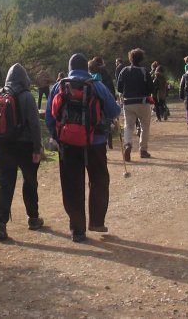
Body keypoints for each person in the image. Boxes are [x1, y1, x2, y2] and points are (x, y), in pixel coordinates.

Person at [46, 54, 120, 243]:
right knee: (99, 180)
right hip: (95, 143)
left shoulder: (59, 86)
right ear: (86, 68)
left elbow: (49, 117)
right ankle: (96, 221)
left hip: (68, 143)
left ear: (69, 67)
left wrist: (59, 137)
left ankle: (77, 230)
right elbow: (114, 111)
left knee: (72, 184)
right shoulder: (96, 85)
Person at [0, 63, 44, 241]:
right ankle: (33, 219)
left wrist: (2, 134)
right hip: (25, 146)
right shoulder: (27, 96)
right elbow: (34, 125)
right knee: (30, 181)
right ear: (24, 79)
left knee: (5, 185)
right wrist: (36, 148)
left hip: (3, 146)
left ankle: (0, 224)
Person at [116, 48, 154, 161]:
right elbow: (150, 88)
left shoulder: (124, 71)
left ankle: (128, 144)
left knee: (128, 126)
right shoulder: (144, 71)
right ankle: (143, 150)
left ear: (130, 58)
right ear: (141, 59)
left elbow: (119, 87)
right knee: (144, 127)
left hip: (128, 102)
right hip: (143, 102)